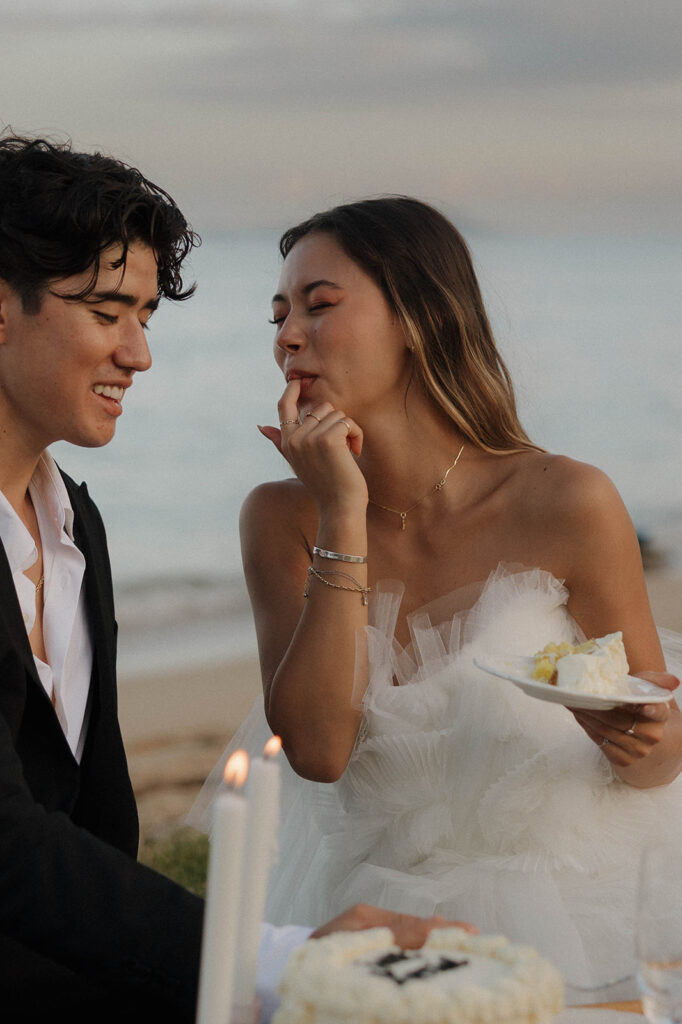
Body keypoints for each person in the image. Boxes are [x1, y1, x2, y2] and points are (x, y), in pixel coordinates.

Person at [0, 139, 460, 1024]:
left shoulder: (73, 524)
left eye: (145, 318)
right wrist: (264, 960)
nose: (138, 355)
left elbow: (94, 828)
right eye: (107, 312)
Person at [191, 195, 682, 1003]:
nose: (285, 337)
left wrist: (638, 738)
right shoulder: (280, 517)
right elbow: (318, 749)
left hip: (582, 902)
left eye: (319, 307)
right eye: (278, 316)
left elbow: (661, 752)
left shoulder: (568, 500)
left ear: (417, 318)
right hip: (372, 916)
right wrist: (341, 510)